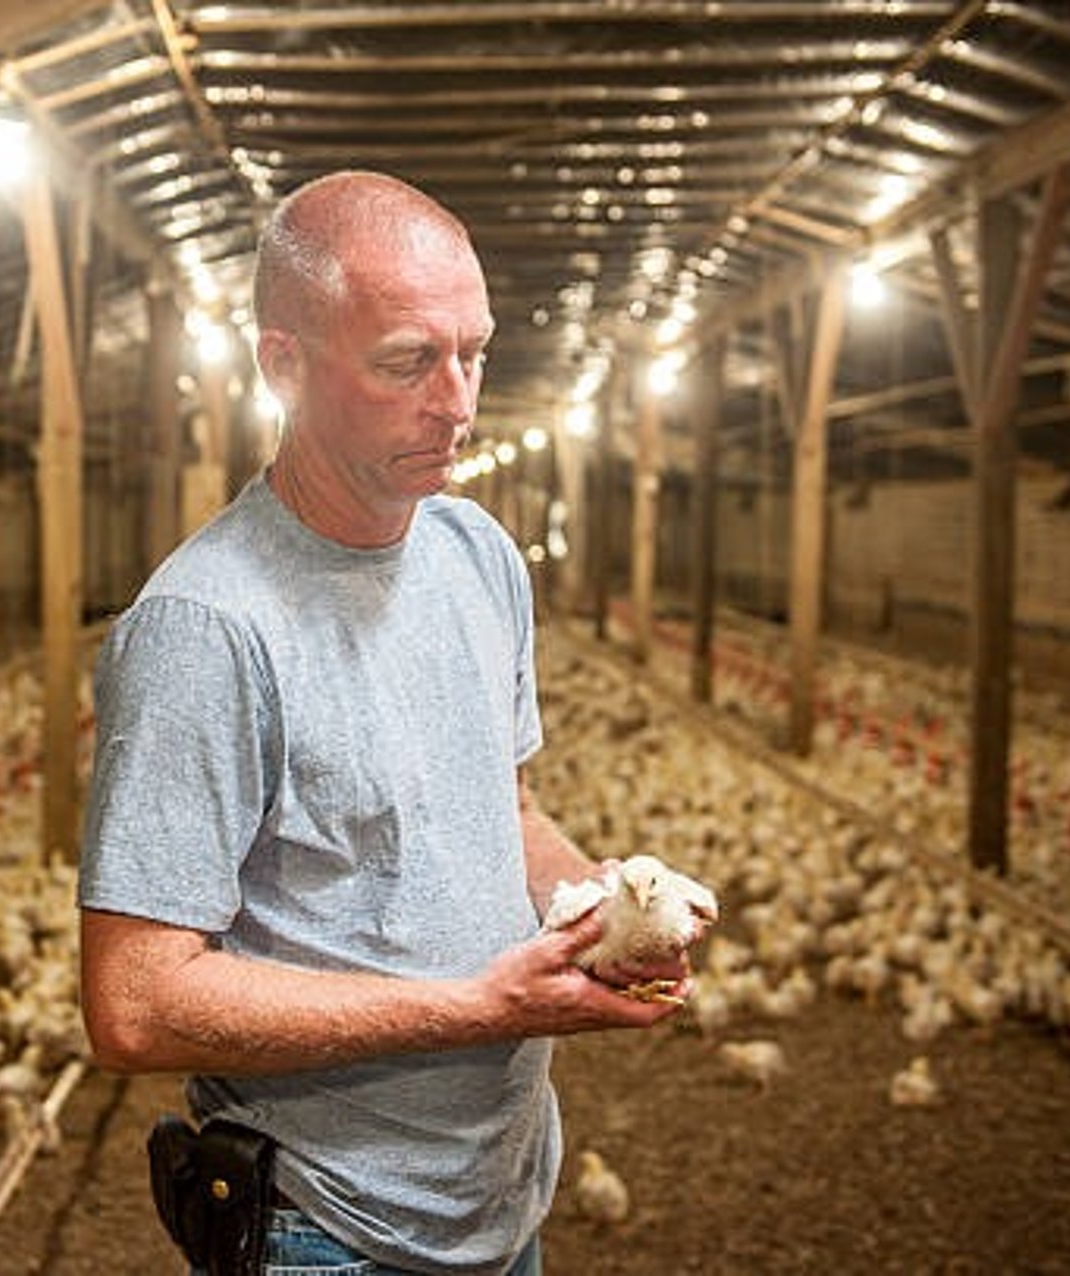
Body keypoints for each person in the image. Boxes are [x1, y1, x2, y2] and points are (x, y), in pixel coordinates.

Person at [77, 170, 693, 1276]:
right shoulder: (204, 627)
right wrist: (473, 1006)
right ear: (284, 364)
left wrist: (603, 906)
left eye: (476, 352)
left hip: (500, 1195)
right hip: (329, 1230)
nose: (457, 401)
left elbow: (501, 807)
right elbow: (133, 1004)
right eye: (409, 360)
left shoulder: (476, 556)